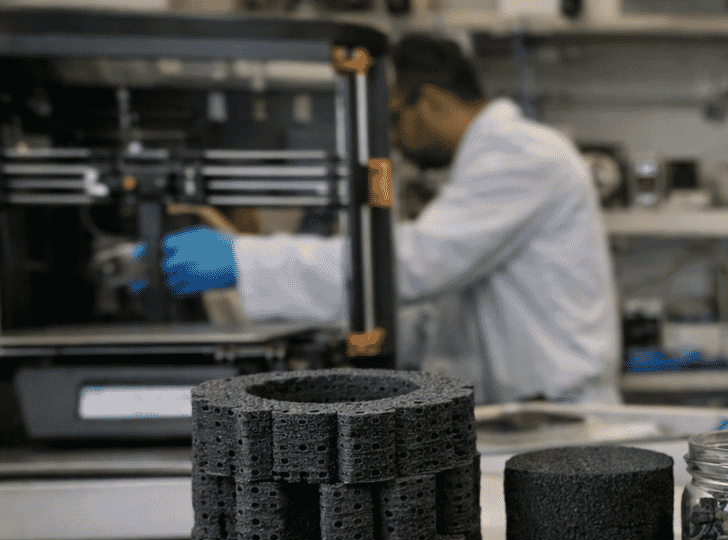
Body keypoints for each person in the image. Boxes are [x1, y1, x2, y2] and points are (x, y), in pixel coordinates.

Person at [160, 33, 622, 405]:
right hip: (529, 409)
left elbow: (413, 264)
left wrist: (245, 260)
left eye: (395, 119)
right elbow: (431, 296)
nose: (395, 142)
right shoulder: (490, 161)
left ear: (433, 101)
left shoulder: (522, 155)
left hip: (559, 414)